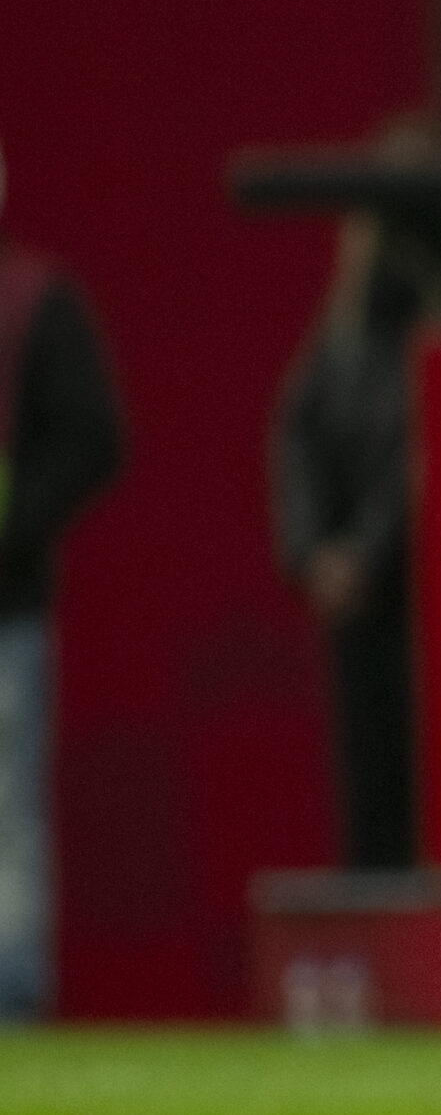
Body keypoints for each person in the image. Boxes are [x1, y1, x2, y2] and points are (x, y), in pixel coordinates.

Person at [0, 158, 123, 1021]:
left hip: (6, 615)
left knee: (8, 821)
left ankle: (10, 1008)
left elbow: (94, 435)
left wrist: (14, 527)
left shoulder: (34, 302)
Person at [272, 214, 427, 870]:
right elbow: (299, 433)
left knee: (422, 775)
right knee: (371, 780)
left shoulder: (438, 325)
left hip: (423, 590)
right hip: (359, 598)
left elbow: (422, 452)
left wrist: (369, 550)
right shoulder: (341, 338)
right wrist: (316, 552)